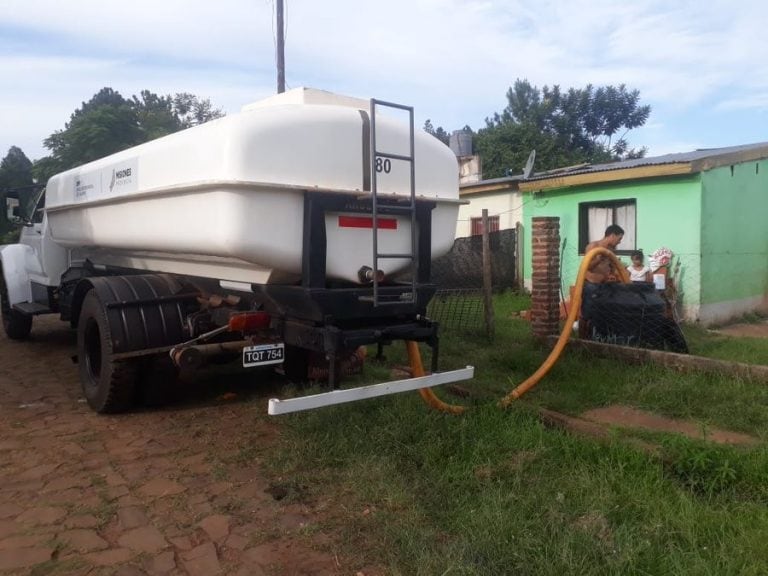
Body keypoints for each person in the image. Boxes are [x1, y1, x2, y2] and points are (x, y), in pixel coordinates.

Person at [579, 224, 624, 337]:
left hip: (605, 285)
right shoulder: (593, 246)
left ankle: (599, 338)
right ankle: (583, 339)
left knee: (602, 314)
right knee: (587, 314)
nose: (619, 242)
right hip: (592, 285)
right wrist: (598, 259)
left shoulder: (611, 250)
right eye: (619, 238)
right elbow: (586, 267)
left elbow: (612, 267)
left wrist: (613, 275)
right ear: (612, 235)